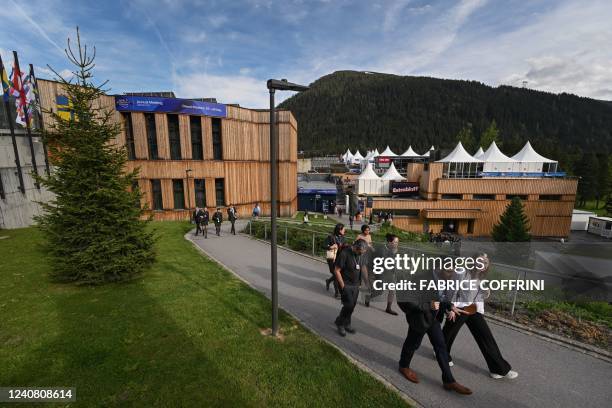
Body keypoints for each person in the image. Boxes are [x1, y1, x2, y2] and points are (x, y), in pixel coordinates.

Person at [395, 267, 472, 395]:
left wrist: (450, 306)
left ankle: (449, 380)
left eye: (453, 271)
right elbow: (404, 300)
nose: (452, 274)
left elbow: (440, 297)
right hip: (419, 318)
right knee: (412, 344)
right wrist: (427, 305)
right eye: (449, 271)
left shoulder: (444, 278)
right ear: (438, 268)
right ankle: (403, 366)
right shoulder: (420, 278)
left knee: (441, 347)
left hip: (433, 319)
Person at [442, 254, 518, 380]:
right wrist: (450, 308)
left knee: (486, 336)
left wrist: (484, 292)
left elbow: (476, 294)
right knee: (449, 333)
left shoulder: (481, 276)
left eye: (486, 262)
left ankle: (498, 369)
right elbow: (451, 289)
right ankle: (442, 354)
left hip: (473, 309)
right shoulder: (461, 272)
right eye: (481, 261)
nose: (484, 264)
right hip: (458, 307)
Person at [334, 239, 369, 337]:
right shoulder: (344, 254)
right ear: (355, 248)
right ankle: (340, 323)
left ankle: (346, 323)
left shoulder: (361, 255)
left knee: (352, 306)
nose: (361, 254)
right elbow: (337, 270)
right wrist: (343, 286)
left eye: (362, 253)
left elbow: (363, 267)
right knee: (348, 305)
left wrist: (367, 282)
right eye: (360, 252)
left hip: (356, 285)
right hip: (345, 284)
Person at [372, 233, 399, 315]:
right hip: (381, 273)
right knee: (379, 291)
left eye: (397, 242)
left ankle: (388, 308)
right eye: (395, 242)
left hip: (390, 273)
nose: (397, 244)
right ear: (389, 242)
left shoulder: (393, 249)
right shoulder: (381, 249)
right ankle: (368, 297)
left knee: (392, 290)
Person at [324, 223, 347, 298]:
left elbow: (344, 245)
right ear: (339, 230)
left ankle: (330, 282)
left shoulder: (343, 237)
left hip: (340, 258)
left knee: (337, 274)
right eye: (343, 229)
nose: (344, 230)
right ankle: (337, 292)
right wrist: (331, 247)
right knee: (336, 274)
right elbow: (324, 245)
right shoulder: (331, 237)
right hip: (332, 259)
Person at [357, 224, 374, 307]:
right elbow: (355, 246)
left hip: (367, 259)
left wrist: (372, 249)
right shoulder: (359, 236)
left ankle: (367, 299)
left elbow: (371, 245)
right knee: (358, 279)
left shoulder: (369, 236)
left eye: (368, 230)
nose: (368, 231)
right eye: (366, 230)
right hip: (359, 258)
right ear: (363, 230)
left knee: (367, 280)